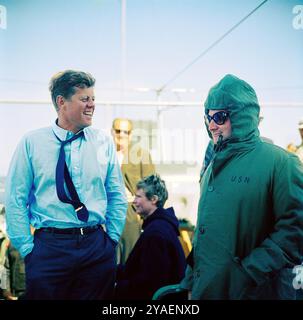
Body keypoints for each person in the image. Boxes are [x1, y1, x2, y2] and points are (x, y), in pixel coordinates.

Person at [5, 70, 128, 300]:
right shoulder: (31, 143)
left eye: (93, 99)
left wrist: (110, 241)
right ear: (62, 102)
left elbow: (116, 195)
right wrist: (28, 251)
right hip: (49, 250)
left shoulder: (103, 142)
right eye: (84, 99)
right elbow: (15, 200)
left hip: (96, 249)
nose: (92, 105)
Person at [180, 74, 303, 300]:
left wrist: (247, 273)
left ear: (241, 116)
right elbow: (203, 233)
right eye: (208, 116)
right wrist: (190, 281)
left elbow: (294, 231)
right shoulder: (211, 169)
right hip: (205, 291)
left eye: (220, 116)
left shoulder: (280, 163)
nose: (212, 124)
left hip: (253, 292)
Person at [115, 174, 186, 300]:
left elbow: (150, 283)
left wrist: (117, 287)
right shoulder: (160, 226)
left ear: (153, 199)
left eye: (138, 197)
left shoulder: (156, 233)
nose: (134, 201)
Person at [111, 118, 155, 264]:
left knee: (130, 258)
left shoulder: (141, 154)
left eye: (126, 132)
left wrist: (142, 213)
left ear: (130, 135)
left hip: (131, 213)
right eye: (118, 131)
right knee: (109, 259)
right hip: (108, 213)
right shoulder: (105, 155)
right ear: (112, 132)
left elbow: (151, 185)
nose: (121, 135)